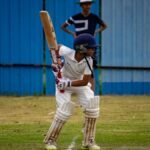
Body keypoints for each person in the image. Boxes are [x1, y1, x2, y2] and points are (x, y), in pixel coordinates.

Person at [44, 33, 100, 150]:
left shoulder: (89, 61)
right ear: (82, 48)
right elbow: (56, 47)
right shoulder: (68, 52)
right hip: (63, 84)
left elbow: (85, 82)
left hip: (78, 83)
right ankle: (50, 141)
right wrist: (56, 60)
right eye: (91, 48)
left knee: (92, 107)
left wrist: (68, 83)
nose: (94, 50)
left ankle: (89, 141)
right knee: (64, 111)